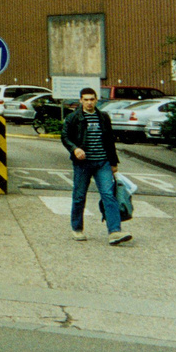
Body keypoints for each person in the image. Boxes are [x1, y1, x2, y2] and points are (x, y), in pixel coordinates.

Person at [61, 87, 131, 245]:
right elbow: (65, 136)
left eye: (92, 99)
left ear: (96, 100)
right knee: (79, 196)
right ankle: (77, 228)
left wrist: (113, 162)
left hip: (102, 162)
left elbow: (109, 141)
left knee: (108, 195)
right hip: (83, 164)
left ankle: (114, 231)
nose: (89, 102)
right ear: (81, 100)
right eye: (85, 99)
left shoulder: (103, 117)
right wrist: (75, 149)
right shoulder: (73, 118)